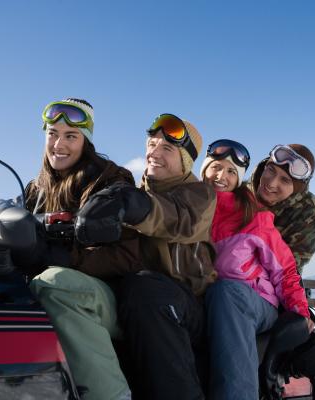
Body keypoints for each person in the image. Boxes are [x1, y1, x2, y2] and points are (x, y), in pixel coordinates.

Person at [75, 113, 217, 400]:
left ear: (185, 161)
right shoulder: (133, 194)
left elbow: (178, 218)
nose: (154, 153)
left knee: (146, 290)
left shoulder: (200, 195)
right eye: (152, 145)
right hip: (141, 300)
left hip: (189, 307)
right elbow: (118, 256)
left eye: (167, 148)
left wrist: (135, 205)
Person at [23, 98, 142, 400]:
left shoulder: (111, 181)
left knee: (56, 284)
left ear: (85, 140)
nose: (58, 144)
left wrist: (66, 258)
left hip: (108, 297)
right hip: (53, 288)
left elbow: (127, 257)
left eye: (71, 136)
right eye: (52, 133)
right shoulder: (36, 189)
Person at [200, 139, 313, 399]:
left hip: (254, 300)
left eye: (231, 171)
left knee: (227, 292)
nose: (221, 177)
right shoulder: (189, 209)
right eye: (216, 167)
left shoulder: (254, 216)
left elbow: (286, 268)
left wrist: (299, 312)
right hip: (211, 297)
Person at [249, 144, 315, 399]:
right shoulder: (241, 194)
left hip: (276, 288)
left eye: (285, 180)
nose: (271, 183)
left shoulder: (308, 209)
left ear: (297, 187)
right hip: (232, 283)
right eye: (270, 171)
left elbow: (291, 263)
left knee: (307, 346)